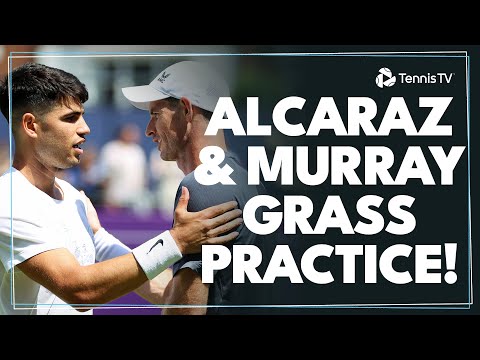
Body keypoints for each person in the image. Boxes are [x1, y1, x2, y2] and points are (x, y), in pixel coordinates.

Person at [0, 62, 243, 315]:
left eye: (82, 116)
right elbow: (78, 291)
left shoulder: (73, 198)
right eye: (70, 118)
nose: (85, 128)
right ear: (30, 125)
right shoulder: (9, 199)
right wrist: (176, 241)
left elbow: (163, 291)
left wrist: (100, 236)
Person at [122, 60, 266, 314]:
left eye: (155, 115)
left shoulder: (200, 186)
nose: (148, 130)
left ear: (187, 110)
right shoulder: (245, 180)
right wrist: (102, 242)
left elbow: (186, 309)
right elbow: (181, 293)